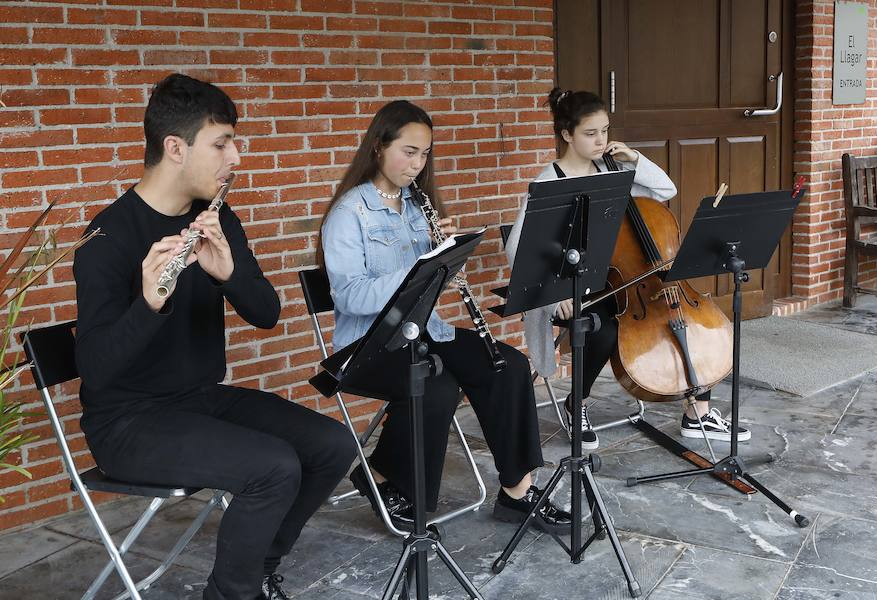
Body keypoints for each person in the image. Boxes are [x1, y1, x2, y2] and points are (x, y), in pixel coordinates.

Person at [73, 73, 356, 600]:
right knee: (273, 468)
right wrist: (149, 303)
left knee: (332, 445)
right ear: (175, 148)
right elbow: (95, 368)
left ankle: (254, 568)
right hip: (126, 422)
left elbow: (267, 314)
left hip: (199, 400)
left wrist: (229, 274)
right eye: (222, 143)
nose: (236, 157)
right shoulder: (107, 238)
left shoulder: (217, 220)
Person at [319, 99, 571, 534]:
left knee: (508, 366)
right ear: (379, 146)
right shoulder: (349, 213)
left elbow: (426, 287)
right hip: (368, 346)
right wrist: (420, 271)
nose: (418, 164)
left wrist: (445, 263)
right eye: (408, 152)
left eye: (424, 154)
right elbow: (351, 296)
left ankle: (517, 491)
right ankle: (388, 479)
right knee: (436, 383)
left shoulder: (418, 206)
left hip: (422, 332)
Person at [506, 87, 750, 451]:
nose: (600, 140)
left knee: (686, 316)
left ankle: (697, 413)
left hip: (625, 279)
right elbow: (519, 249)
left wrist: (635, 158)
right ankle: (577, 404)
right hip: (576, 287)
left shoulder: (614, 169)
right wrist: (554, 295)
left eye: (605, 130)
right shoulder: (548, 183)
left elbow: (665, 190)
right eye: (590, 133)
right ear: (567, 134)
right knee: (602, 330)